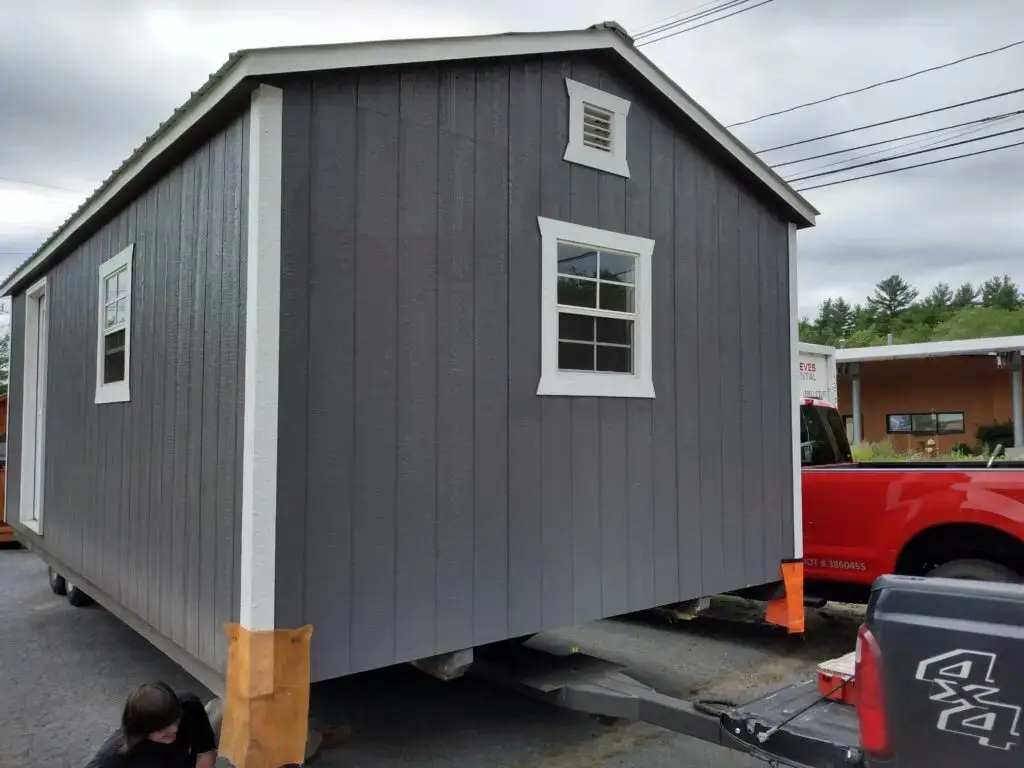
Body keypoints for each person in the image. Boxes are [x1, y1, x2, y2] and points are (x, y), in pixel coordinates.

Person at [85, 681, 218, 768]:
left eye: (176, 720)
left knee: (221, 709)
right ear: (142, 731)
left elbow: (206, 750)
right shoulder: (113, 755)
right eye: (162, 729)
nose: (174, 729)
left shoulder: (188, 706)